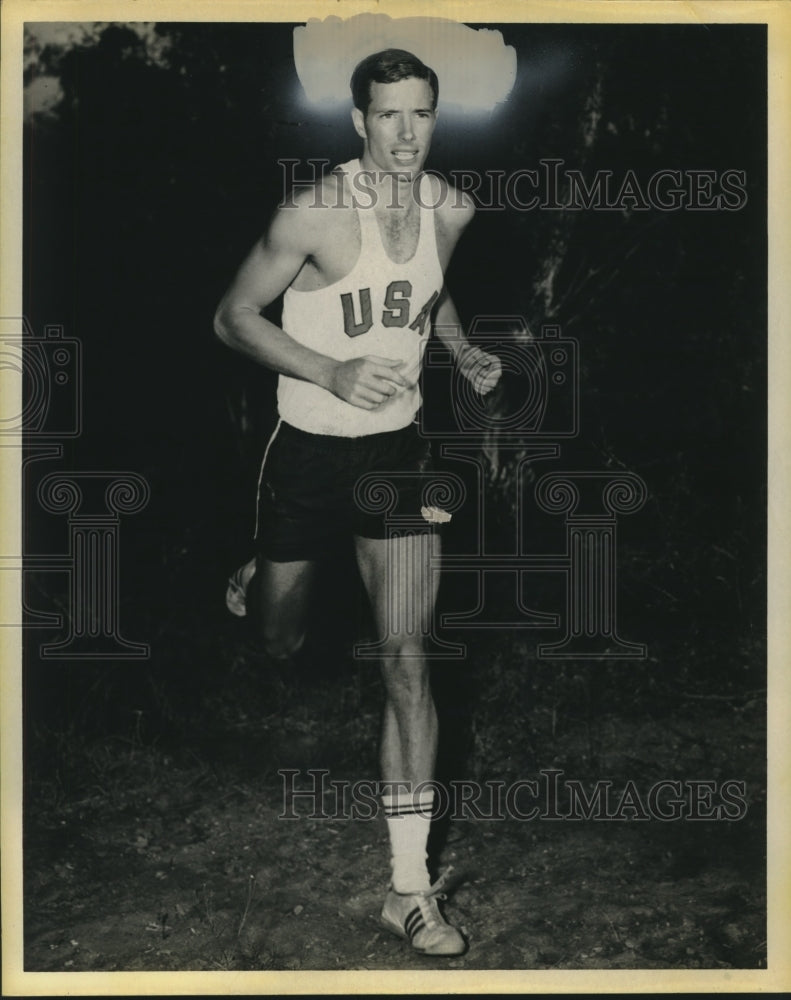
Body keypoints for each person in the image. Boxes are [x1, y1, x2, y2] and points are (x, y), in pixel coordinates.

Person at [214, 48, 501, 957]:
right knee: (279, 641)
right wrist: (333, 369)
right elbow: (231, 318)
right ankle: (266, 564)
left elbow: (430, 290)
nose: (407, 134)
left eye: (421, 113)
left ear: (435, 114)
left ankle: (407, 890)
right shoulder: (312, 215)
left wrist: (458, 351)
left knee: (407, 659)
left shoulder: (452, 207)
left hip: (399, 457)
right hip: (304, 451)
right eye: (388, 116)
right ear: (357, 122)